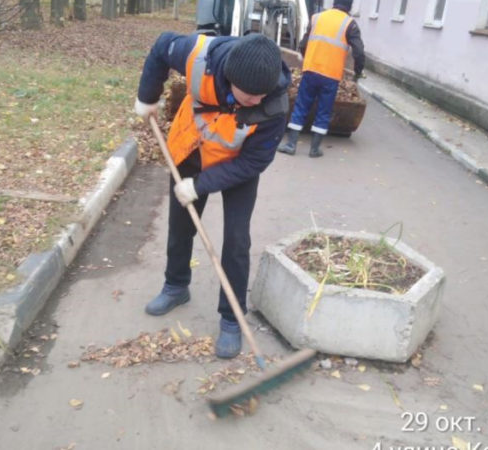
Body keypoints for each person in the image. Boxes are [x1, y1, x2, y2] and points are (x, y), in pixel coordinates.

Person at [133, 32, 290, 359]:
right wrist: (148, 96)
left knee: (236, 240)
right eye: (249, 95)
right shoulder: (199, 57)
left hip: (237, 165)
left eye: (261, 94)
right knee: (181, 225)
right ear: (230, 78)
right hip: (192, 149)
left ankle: (231, 318)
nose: (256, 102)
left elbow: (254, 162)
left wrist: (201, 185)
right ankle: (176, 286)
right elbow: (162, 46)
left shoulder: (273, 105)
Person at [277, 0, 365, 157]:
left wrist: (308, 58)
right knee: (324, 111)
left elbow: (304, 44)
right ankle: (314, 149)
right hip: (331, 76)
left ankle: (291, 144)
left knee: (301, 106)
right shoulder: (350, 24)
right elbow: (359, 52)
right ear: (349, 6)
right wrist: (358, 72)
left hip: (311, 70)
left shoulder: (317, 18)